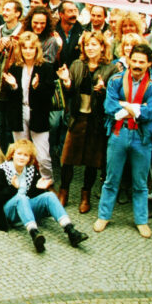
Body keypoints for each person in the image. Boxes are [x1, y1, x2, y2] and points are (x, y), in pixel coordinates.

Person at [95, 44, 152, 239]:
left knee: (140, 182)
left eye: (142, 62)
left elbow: (151, 112)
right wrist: (137, 108)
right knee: (111, 178)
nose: (137, 65)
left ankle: (141, 220)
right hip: (119, 134)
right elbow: (109, 107)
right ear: (129, 60)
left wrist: (125, 106)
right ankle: (104, 216)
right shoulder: (116, 79)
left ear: (149, 63)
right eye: (134, 60)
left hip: (141, 137)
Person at [0, 139, 89, 252]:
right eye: (19, 154)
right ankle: (34, 233)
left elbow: (32, 195)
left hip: (25, 208)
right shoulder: (3, 169)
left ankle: (70, 230)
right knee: (21, 198)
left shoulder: (31, 170)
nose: (22, 157)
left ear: (29, 159)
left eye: (26, 155)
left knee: (50, 196)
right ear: (13, 154)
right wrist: (13, 188)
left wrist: (40, 188)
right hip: (7, 211)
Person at [56, 31, 116, 213]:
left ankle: (85, 195)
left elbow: (113, 97)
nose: (90, 48)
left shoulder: (110, 69)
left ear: (102, 47)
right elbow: (69, 92)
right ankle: (63, 191)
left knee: (91, 160)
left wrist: (103, 90)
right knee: (67, 159)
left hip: (95, 120)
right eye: (87, 45)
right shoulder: (76, 64)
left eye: (94, 45)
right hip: (77, 117)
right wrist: (67, 82)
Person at [0, 32, 56, 181]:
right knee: (21, 153)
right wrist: (14, 86)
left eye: (31, 48)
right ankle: (23, 183)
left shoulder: (46, 68)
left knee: (43, 157)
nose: (28, 51)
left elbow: (49, 95)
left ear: (36, 49)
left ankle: (47, 182)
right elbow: (10, 97)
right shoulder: (15, 68)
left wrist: (37, 87)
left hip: (38, 114)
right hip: (19, 113)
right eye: (25, 47)